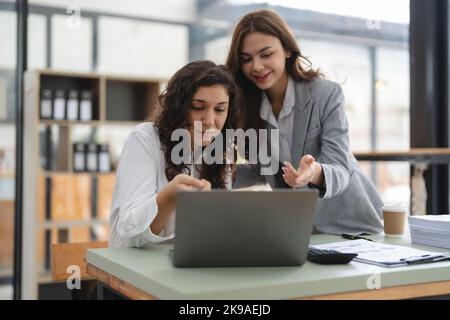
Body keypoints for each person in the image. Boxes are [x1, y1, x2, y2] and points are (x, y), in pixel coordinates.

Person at [225, 9, 383, 234]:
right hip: (299, 228)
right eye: (246, 59)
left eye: (266, 54)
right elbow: (260, 171)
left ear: (287, 49)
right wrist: (224, 173)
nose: (256, 66)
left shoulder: (325, 95)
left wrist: (314, 172)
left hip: (350, 224)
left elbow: (340, 168)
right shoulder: (247, 107)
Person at [109, 60, 243, 248]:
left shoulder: (221, 152)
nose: (210, 121)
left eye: (220, 109)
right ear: (179, 107)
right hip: (135, 270)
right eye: (198, 107)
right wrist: (169, 198)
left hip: (189, 269)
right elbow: (131, 236)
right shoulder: (145, 139)